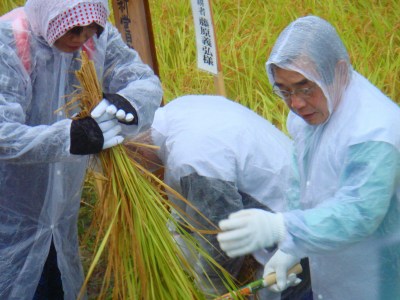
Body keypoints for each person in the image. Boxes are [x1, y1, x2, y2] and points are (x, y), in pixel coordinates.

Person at [217, 15, 400, 300]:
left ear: (338, 71)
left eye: (305, 87)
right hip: (332, 270)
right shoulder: (309, 114)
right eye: (285, 90)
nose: (296, 103)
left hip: (377, 278)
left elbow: (359, 214)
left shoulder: (373, 130)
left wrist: (283, 227)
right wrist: (290, 248)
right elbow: (301, 182)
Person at [0, 0, 162, 299]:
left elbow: (140, 79)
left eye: (91, 29)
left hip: (63, 198)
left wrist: (129, 102)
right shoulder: (9, 42)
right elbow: (3, 134)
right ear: (50, 16)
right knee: (15, 274)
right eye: (74, 29)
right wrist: (72, 137)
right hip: (12, 199)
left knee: (58, 270)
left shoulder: (95, 38)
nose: (82, 38)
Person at [127, 94, 301, 298]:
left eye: (135, 167)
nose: (141, 173)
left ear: (136, 149)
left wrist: (211, 288)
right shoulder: (176, 111)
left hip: (288, 221)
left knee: (289, 288)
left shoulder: (193, 161)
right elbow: (193, 205)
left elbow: (222, 237)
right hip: (291, 179)